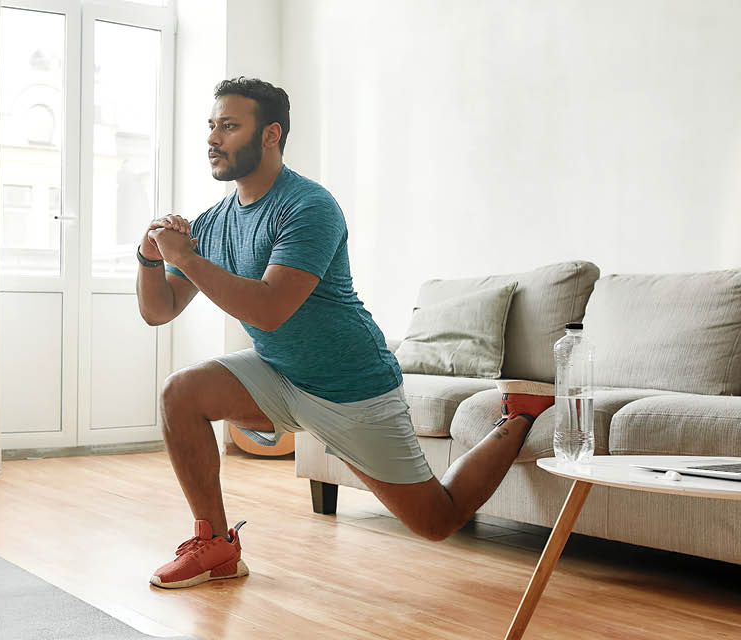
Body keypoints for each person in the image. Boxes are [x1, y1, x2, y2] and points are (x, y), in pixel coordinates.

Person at [135, 77, 554, 590]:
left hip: (352, 386)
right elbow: (160, 311)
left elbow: (270, 310)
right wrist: (149, 259)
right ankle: (217, 546)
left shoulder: (308, 206)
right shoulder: (214, 222)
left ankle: (516, 418)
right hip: (278, 373)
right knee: (181, 392)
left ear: (270, 135)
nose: (212, 139)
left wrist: (188, 257)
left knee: (437, 520)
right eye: (211, 126)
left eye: (228, 126)